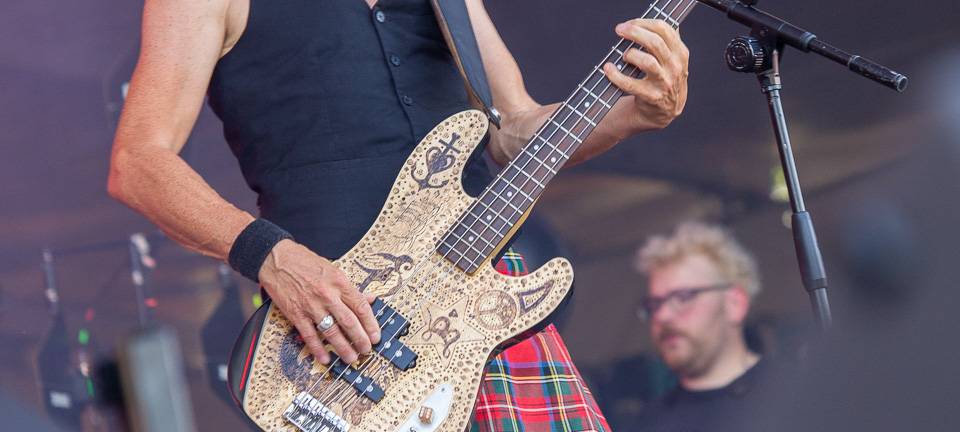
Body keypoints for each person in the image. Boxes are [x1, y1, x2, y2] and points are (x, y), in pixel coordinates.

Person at [107, 0, 689, 430]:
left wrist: (636, 115)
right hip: (345, 335)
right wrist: (274, 257)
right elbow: (138, 160)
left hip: (484, 309)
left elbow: (512, 132)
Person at [633, 222, 770, 432]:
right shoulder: (648, 422)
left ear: (735, 303)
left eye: (683, 297)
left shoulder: (794, 391)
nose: (663, 315)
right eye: (655, 304)